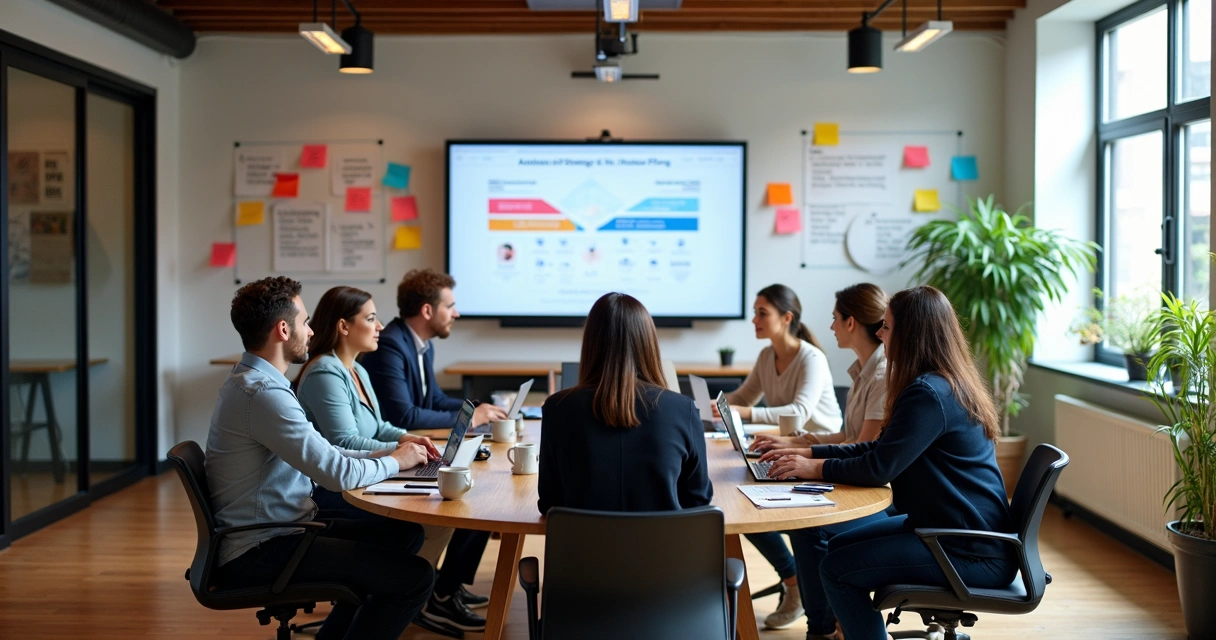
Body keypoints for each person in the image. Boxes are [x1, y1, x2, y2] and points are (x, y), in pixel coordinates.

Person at [763, 286, 1017, 640]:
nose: (879, 333)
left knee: (836, 569)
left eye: (886, 327)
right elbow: (877, 450)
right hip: (947, 531)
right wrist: (808, 454)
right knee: (836, 549)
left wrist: (814, 468)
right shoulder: (939, 384)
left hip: (967, 550)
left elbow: (878, 468)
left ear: (910, 334)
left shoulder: (928, 394)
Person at [206, 276, 434, 640]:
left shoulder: (257, 382)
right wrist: (395, 462)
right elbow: (333, 474)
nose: (312, 332)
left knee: (403, 535)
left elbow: (326, 453)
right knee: (415, 578)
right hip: (261, 550)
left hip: (278, 532)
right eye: (305, 322)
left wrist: (391, 453)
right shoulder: (263, 393)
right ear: (283, 329)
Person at [294, 286, 491, 636]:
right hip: (329, 488)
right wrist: (398, 456)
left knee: (442, 511)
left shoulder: (355, 369)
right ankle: (408, 596)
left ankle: (412, 596)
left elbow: (379, 425)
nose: (380, 325)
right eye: (370, 318)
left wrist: (407, 438)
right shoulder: (325, 372)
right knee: (433, 514)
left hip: (362, 474)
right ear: (343, 326)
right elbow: (343, 442)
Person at [749, 283, 891, 639]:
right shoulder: (862, 371)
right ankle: (822, 622)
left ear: (851, 322)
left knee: (807, 526)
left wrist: (804, 456)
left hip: (873, 494)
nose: (829, 327)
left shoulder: (881, 373)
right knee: (762, 499)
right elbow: (846, 437)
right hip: (855, 478)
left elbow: (865, 447)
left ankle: (820, 629)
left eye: (834, 318)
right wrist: (793, 445)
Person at [720, 283, 843, 630]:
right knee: (738, 504)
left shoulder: (811, 357)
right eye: (755, 312)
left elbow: (800, 410)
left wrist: (744, 413)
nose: (754, 319)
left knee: (747, 505)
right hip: (786, 450)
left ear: (786, 318)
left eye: (763, 313)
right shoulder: (766, 357)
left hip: (818, 454)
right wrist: (716, 406)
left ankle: (797, 589)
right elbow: (742, 396)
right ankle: (792, 583)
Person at [537, 292, 712, 514]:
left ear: (590, 343)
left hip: (581, 549)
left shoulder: (557, 408)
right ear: (648, 343)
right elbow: (698, 501)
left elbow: (549, 503)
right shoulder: (682, 409)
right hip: (664, 548)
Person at [361, 268, 506, 430]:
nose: (456, 314)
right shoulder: (389, 346)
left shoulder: (425, 345)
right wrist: (469, 418)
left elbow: (436, 400)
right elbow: (404, 417)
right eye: (450, 307)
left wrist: (480, 408)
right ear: (427, 311)